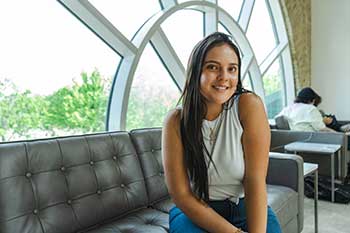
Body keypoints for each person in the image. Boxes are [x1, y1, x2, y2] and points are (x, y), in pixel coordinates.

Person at [162, 32, 281, 233]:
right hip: (198, 214)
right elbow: (181, 194)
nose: (224, 77)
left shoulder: (248, 106)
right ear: (196, 72)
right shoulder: (175, 121)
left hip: (244, 208)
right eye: (212, 67)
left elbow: (255, 180)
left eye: (231, 69)